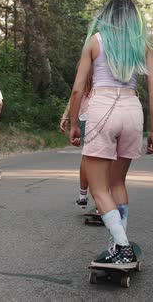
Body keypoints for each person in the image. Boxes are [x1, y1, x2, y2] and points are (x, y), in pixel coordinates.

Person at [68, 0, 153, 269]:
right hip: (133, 109)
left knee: (99, 188)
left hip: (102, 108)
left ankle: (121, 247)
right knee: (118, 183)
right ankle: (119, 242)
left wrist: (74, 123)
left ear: (106, 15)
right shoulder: (143, 46)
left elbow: (78, 88)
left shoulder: (95, 41)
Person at [60, 74, 93, 209]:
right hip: (113, 115)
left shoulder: (91, 64)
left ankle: (83, 196)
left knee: (88, 158)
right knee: (107, 159)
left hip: (89, 115)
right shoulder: (117, 63)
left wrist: (66, 116)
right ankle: (103, 201)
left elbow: (76, 93)